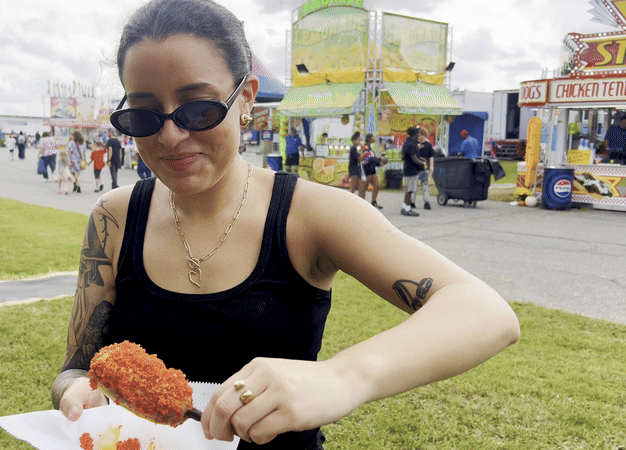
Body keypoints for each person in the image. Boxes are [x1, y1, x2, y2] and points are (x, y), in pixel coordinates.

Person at [51, 1, 520, 449]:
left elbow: (484, 313)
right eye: (143, 114)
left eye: (199, 109)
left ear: (246, 100)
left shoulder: (311, 214)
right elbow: (74, 368)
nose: (171, 136)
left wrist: (341, 377)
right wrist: (74, 392)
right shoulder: (114, 217)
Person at [401, 126, 426, 216]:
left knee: (408, 189)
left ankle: (404, 207)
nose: (419, 135)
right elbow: (414, 159)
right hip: (412, 170)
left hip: (408, 169)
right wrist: (422, 163)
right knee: (410, 190)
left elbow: (414, 156)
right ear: (415, 134)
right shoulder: (411, 145)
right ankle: (408, 208)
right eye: (418, 133)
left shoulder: (408, 142)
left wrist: (421, 158)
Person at [359, 133, 386, 209]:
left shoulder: (371, 148)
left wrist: (379, 163)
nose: (374, 138)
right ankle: (360, 204)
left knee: (377, 186)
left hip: (372, 170)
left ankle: (373, 202)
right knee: (363, 188)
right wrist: (379, 159)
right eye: (373, 137)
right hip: (366, 170)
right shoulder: (365, 147)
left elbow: (372, 159)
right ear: (369, 138)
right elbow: (367, 159)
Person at [413, 128, 436, 210]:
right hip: (415, 169)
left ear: (425, 136)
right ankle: (412, 202)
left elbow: (431, 156)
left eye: (423, 135)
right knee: (414, 187)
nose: (421, 137)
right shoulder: (414, 144)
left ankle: (426, 202)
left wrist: (431, 166)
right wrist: (416, 148)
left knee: (425, 187)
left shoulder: (428, 145)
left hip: (425, 169)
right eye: (420, 135)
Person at [347, 131, 362, 195]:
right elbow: (359, 159)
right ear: (355, 140)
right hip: (353, 170)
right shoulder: (353, 149)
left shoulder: (355, 149)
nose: (359, 141)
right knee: (352, 188)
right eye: (358, 139)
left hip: (356, 170)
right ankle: (347, 202)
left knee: (360, 187)